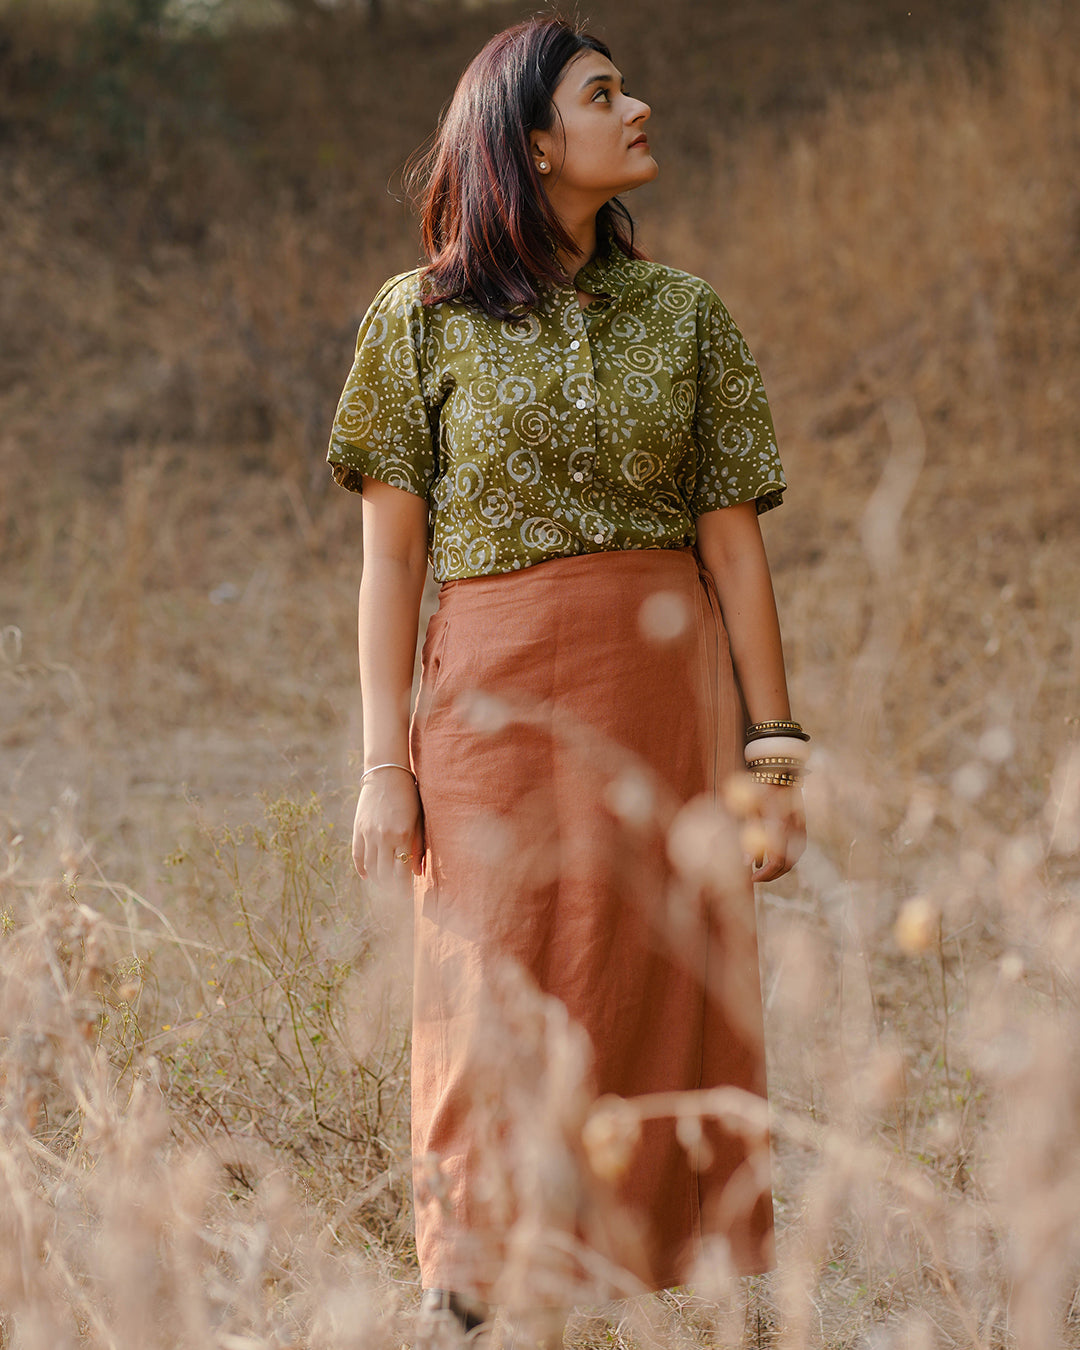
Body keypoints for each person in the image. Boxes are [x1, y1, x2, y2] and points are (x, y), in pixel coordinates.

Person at [327, 16, 806, 1346]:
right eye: (606, 94)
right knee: (485, 992)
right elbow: (389, 565)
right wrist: (384, 765)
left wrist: (775, 750)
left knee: (660, 988)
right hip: (487, 702)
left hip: (666, 697)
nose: (639, 106)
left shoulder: (688, 313)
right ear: (533, 138)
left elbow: (733, 542)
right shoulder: (415, 318)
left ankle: (655, 1298)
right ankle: (468, 1295)